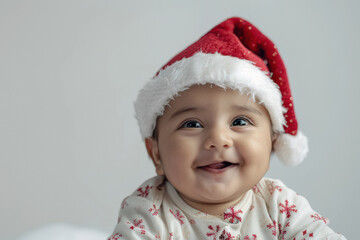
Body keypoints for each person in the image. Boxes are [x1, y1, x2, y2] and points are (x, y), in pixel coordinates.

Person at [108, 17, 346, 239]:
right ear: (156, 153)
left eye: (240, 122)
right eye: (192, 124)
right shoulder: (149, 209)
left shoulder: (280, 205)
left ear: (272, 142)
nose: (218, 139)